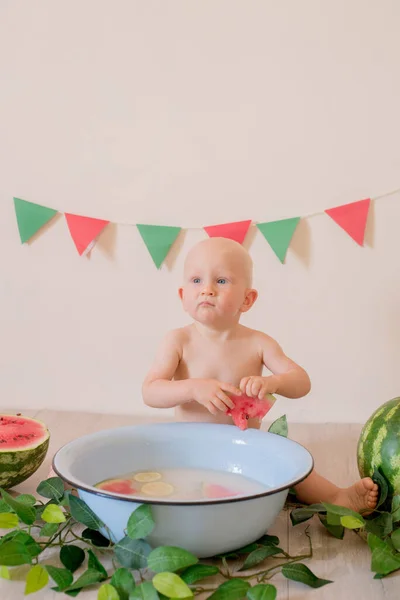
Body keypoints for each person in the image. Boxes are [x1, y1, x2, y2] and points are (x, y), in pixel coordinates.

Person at [142, 237, 378, 512]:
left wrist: (272, 382)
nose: (206, 290)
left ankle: (337, 497)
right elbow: (150, 391)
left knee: (288, 461)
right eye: (196, 280)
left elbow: (302, 382)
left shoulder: (258, 343)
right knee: (172, 477)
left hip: (243, 447)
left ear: (247, 299)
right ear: (183, 297)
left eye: (221, 281)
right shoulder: (178, 341)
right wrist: (192, 388)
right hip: (190, 448)